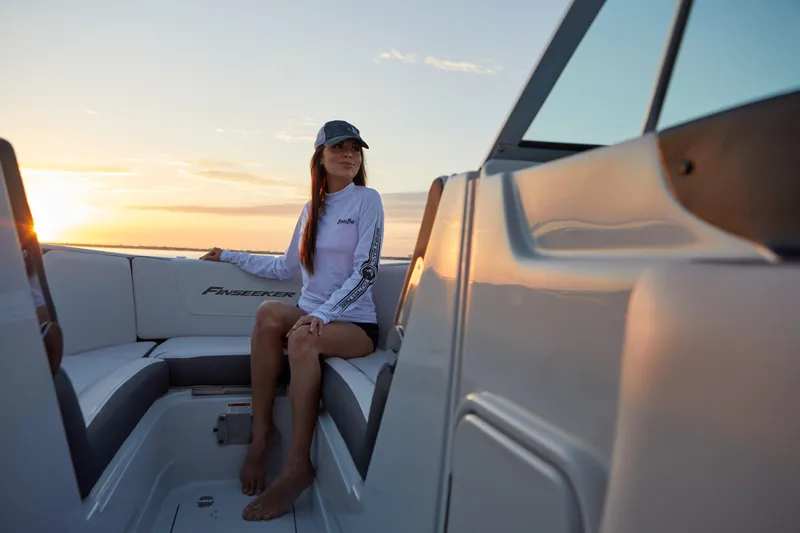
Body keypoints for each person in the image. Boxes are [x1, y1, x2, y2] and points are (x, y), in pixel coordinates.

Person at [200, 120, 383, 521]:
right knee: (268, 313)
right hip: (314, 313)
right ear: (320, 157)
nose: (349, 154)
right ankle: (263, 433)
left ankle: (297, 465)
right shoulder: (310, 210)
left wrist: (320, 314)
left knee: (301, 339)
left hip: (355, 325)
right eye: (339, 148)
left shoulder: (367, 201)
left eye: (355, 148)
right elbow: (285, 268)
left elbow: (367, 271)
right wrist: (229, 255)